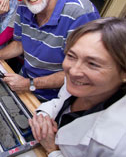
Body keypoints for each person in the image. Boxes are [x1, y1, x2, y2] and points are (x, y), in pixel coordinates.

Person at [29, 17, 126, 156]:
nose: (73, 71)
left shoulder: (120, 143)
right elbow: (59, 102)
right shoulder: (81, 87)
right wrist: (43, 117)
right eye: (71, 56)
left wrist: (52, 150)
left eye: (93, 64)